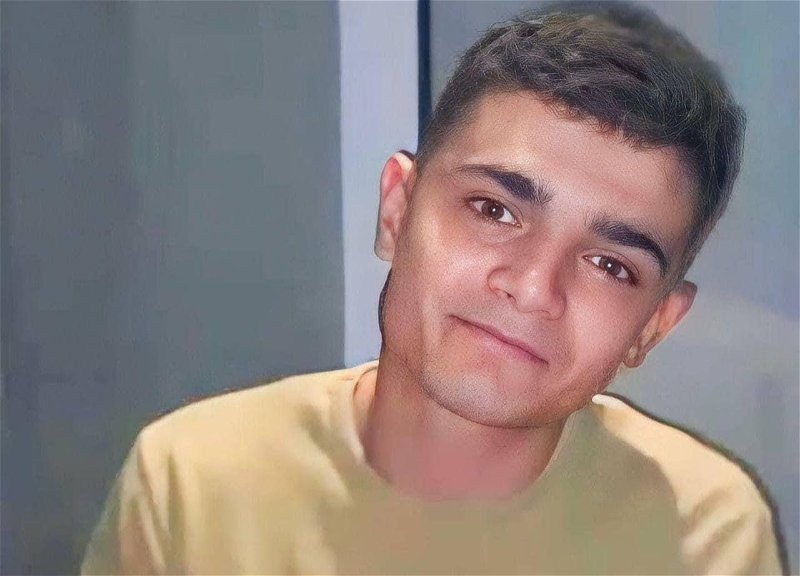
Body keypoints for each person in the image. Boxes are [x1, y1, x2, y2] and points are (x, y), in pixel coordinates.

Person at [82, 2, 785, 574]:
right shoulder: (193, 484)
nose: (533, 288)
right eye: (494, 210)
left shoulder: (703, 534)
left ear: (652, 327)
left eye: (610, 265)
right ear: (397, 210)